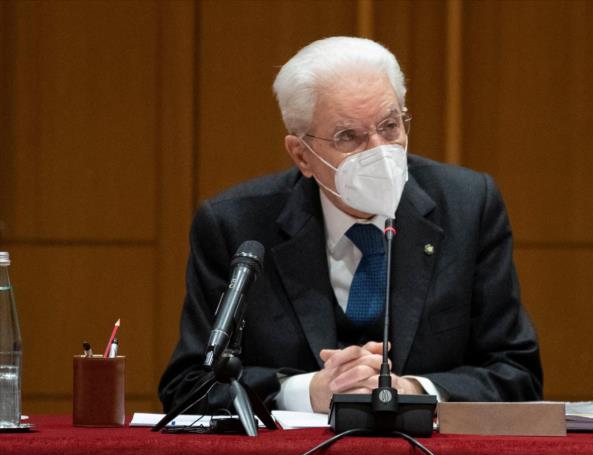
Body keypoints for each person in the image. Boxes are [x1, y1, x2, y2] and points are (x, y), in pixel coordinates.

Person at [159, 37, 542, 414]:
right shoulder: (236, 225)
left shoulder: (468, 206)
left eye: (390, 126)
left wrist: (414, 391)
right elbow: (190, 385)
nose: (378, 150)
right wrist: (306, 392)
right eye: (348, 137)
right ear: (302, 155)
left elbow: (518, 375)